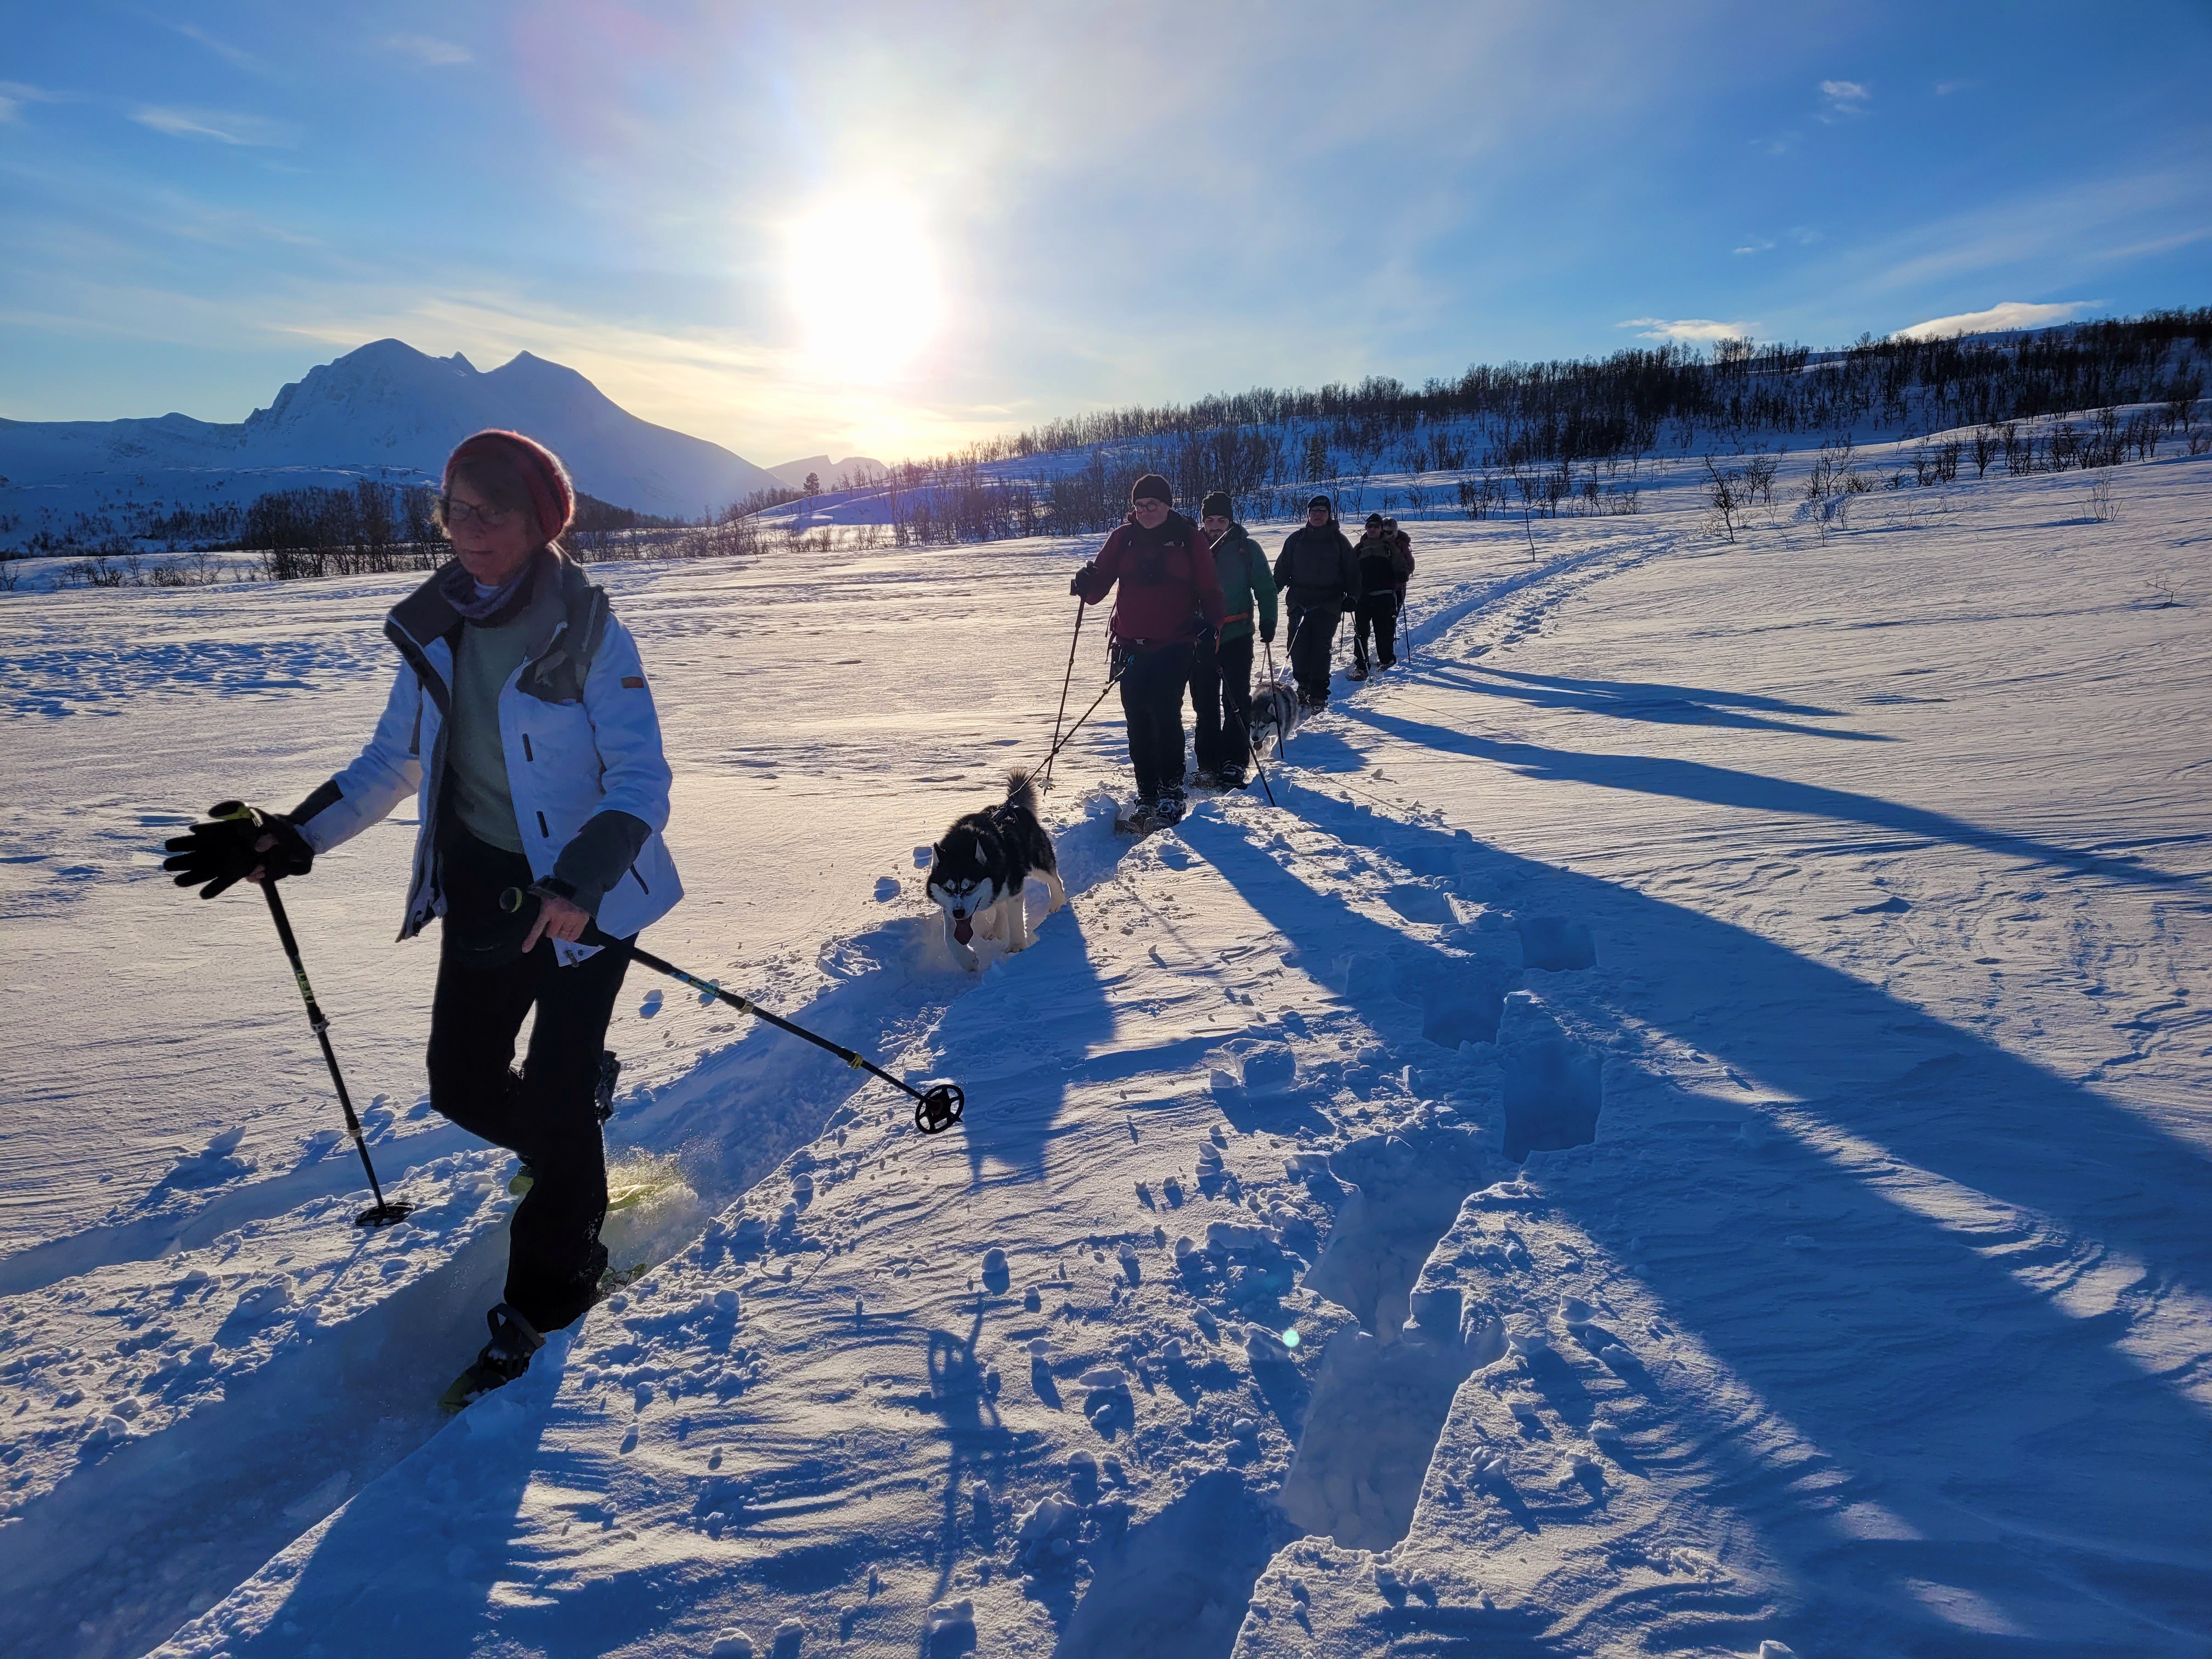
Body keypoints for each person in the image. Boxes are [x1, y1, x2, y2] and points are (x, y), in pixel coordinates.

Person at [160, 429, 681, 1397]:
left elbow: (642, 779)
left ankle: (553, 1289)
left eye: (493, 511)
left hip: (591, 893)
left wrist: (580, 881)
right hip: (484, 886)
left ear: (541, 522)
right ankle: (569, 1140)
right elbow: (392, 762)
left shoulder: (589, 629)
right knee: (462, 1083)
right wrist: (294, 836)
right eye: (455, 509)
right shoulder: (439, 623)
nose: (468, 530)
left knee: (557, 1093)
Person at [1070, 473, 1226, 827]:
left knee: (1165, 713)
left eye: (1151, 504)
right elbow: (1096, 591)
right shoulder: (1123, 538)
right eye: (1139, 505)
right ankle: (1148, 793)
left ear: (1167, 505)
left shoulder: (1189, 539)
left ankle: (1171, 792)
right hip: (1129, 644)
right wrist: (1084, 581)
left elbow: (1211, 590)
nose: (1144, 511)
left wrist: (1212, 624)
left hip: (1176, 642)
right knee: (1137, 719)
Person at [1189, 490, 1278, 789]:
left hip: (1237, 635)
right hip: (1200, 637)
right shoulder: (1192, 549)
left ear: (1230, 521)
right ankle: (1207, 764)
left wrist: (1268, 621)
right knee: (1204, 704)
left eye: (1221, 520)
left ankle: (1234, 762)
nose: (1215, 526)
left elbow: (1265, 588)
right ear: (1203, 521)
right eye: (1210, 520)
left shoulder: (1246, 549)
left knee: (1236, 702)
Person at [1272, 494, 1359, 708]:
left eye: (1322, 511)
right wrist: (1271, 590)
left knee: (1320, 647)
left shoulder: (1339, 542)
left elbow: (1352, 572)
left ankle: (1319, 692)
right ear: (1308, 515)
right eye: (1314, 512)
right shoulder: (1296, 540)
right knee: (1297, 646)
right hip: (1299, 602)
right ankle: (1303, 684)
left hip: (1328, 603)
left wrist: (1353, 597)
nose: (1317, 515)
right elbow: (1282, 569)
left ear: (1329, 515)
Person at [1350, 512, 1415, 679]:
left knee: (1384, 631)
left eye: (1376, 526)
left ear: (1381, 529)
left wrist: (1402, 574)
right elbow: (1350, 569)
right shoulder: (1359, 548)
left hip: (1385, 595)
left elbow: (1402, 565)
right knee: (1361, 632)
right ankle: (1361, 665)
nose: (1373, 529)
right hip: (1363, 597)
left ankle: (1387, 659)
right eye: (1369, 526)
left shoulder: (1389, 547)